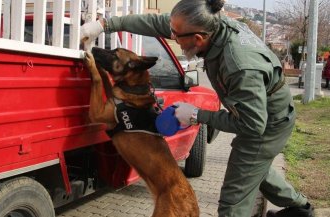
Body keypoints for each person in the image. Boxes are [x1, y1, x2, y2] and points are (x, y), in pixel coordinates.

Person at [80, 0, 314, 216]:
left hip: (267, 122)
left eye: (176, 36)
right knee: (256, 169)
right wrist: (104, 24)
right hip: (256, 110)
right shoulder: (206, 23)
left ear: (198, 39)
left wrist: (196, 115)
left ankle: (297, 208)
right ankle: (300, 209)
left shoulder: (240, 65)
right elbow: (155, 23)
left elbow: (252, 124)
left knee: (233, 203)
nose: (172, 37)